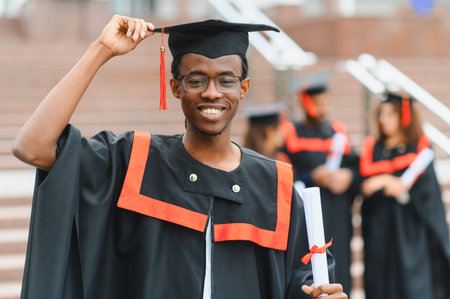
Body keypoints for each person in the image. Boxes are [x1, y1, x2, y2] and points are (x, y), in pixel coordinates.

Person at [12, 15, 347, 299]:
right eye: (196, 79)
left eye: (226, 81)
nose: (212, 92)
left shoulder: (276, 187)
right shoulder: (134, 161)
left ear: (243, 89)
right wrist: (100, 51)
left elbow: (303, 282)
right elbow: (33, 146)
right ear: (176, 87)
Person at [359, 92, 450, 299]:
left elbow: (429, 194)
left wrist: (390, 184)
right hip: (380, 233)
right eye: (381, 114)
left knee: (411, 286)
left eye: (390, 114)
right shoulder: (373, 148)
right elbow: (362, 184)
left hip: (410, 233)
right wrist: (385, 182)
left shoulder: (418, 148)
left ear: (403, 116)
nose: (384, 119)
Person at [280, 70, 360, 297]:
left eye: (325, 100)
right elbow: (280, 169)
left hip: (336, 213)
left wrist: (348, 176)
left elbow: (355, 167)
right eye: (316, 100)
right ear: (305, 101)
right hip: (305, 212)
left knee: (340, 264)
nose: (322, 105)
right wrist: (311, 176)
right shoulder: (290, 131)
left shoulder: (337, 130)